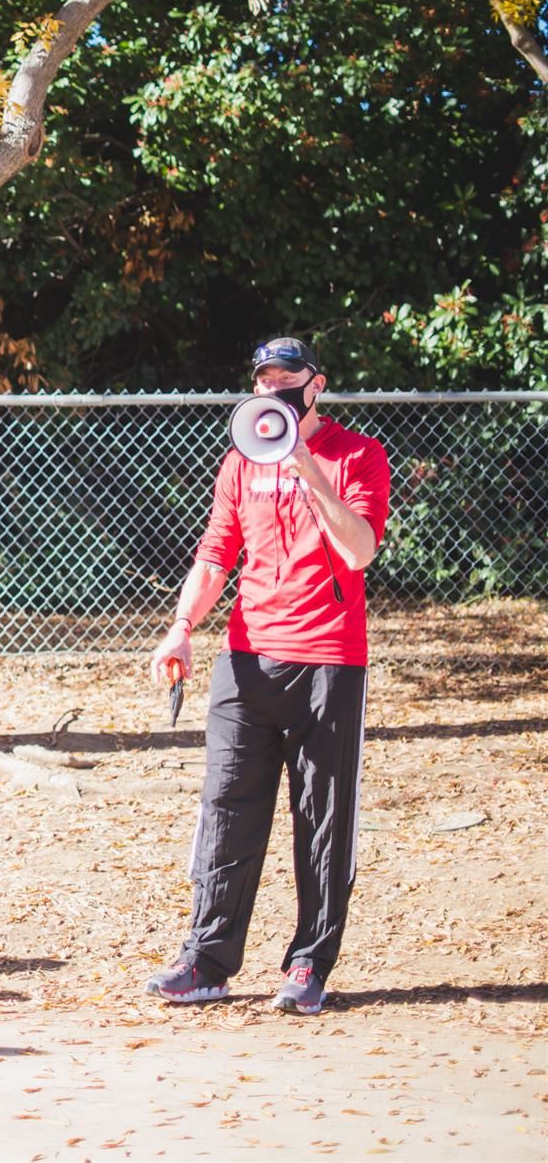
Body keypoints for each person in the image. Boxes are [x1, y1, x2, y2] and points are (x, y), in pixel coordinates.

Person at [145, 337, 391, 1016]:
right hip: (246, 660)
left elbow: (361, 549)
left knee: (323, 816)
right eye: (263, 379)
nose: (273, 388)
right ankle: (207, 958)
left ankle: (311, 961)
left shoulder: (357, 455)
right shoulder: (239, 461)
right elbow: (215, 553)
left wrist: (308, 470)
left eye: (286, 377)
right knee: (226, 808)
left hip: (329, 660)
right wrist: (182, 627)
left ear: (317, 385)